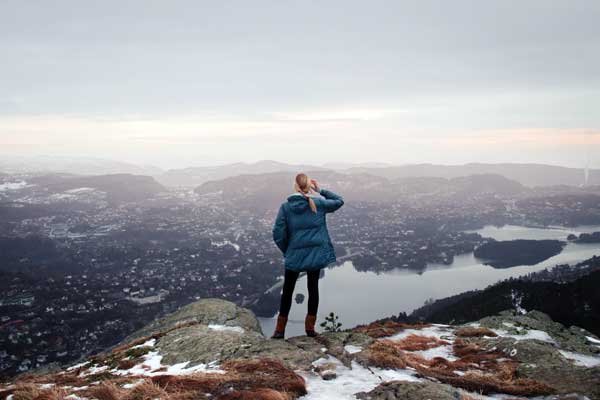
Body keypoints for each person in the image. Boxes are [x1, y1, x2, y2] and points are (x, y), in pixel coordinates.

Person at [271, 173, 345, 339]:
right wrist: (320, 190)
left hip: (294, 256)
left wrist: (288, 250)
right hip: (315, 255)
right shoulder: (318, 203)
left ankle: (279, 331)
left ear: (295, 186)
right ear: (308, 186)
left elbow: (277, 233)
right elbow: (339, 201)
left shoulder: (286, 207)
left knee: (288, 291)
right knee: (313, 289)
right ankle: (310, 329)